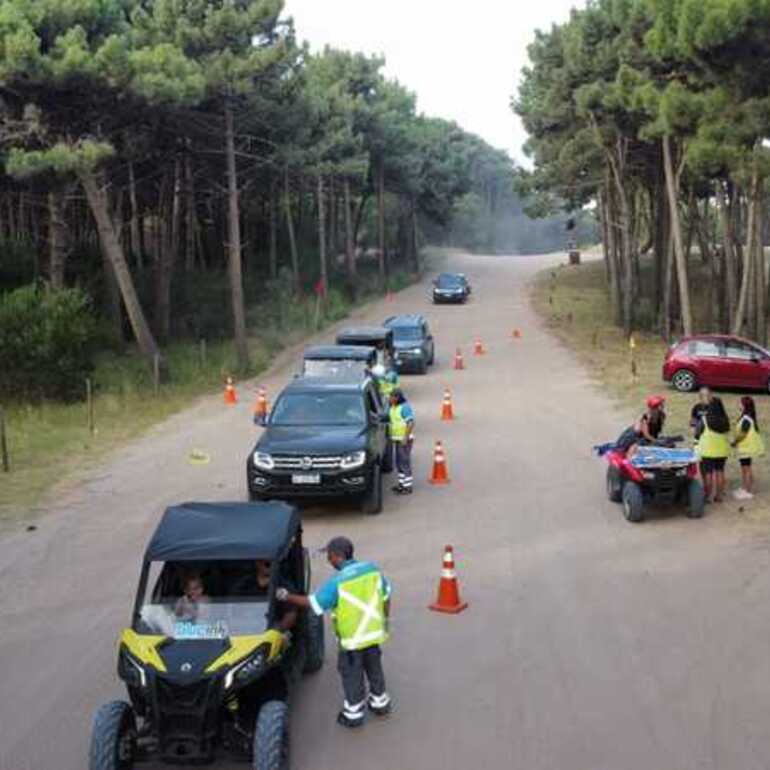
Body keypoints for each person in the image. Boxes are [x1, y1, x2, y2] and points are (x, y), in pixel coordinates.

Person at [277, 536, 392, 728]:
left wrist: (285, 595)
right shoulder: (372, 570)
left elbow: (313, 604)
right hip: (374, 635)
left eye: (329, 556)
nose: (328, 560)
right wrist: (385, 621)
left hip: (352, 641)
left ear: (338, 556)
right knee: (374, 668)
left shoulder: (337, 582)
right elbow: (387, 595)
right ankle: (380, 703)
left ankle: (353, 714)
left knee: (352, 674)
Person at [695, 396, 731, 502]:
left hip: (708, 450)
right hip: (722, 450)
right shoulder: (725, 420)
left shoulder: (704, 419)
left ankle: (707, 496)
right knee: (720, 471)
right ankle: (719, 496)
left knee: (708, 473)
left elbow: (697, 433)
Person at [732, 396, 764, 500]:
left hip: (746, 448)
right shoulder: (746, 417)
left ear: (745, 405)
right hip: (745, 447)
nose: (738, 405)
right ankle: (745, 488)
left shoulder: (746, 418)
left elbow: (743, 434)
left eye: (740, 403)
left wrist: (735, 442)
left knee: (746, 469)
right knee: (745, 468)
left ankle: (748, 490)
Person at [389, 388, 415, 494]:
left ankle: (408, 487)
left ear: (397, 398)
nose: (389, 399)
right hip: (396, 438)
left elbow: (410, 423)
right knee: (398, 462)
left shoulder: (404, 407)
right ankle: (401, 484)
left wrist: (405, 437)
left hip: (404, 439)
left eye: (392, 397)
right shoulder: (393, 407)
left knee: (404, 462)